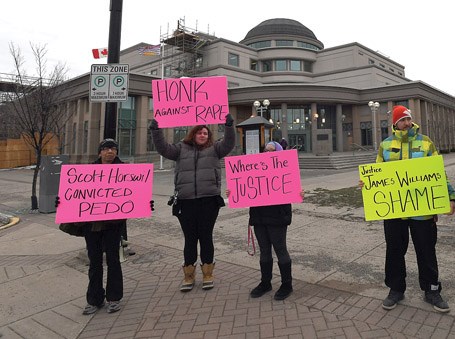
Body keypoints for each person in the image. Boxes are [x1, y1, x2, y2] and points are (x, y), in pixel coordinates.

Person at [360, 105, 455, 313]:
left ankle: (432, 290)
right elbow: (378, 173)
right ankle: (396, 289)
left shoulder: (426, 142)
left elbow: (438, 172)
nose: (407, 122)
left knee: (426, 251)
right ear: (395, 123)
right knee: (394, 251)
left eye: (408, 119)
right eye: (402, 120)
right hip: (394, 212)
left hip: (423, 211)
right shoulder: (385, 145)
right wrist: (368, 183)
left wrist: (451, 196)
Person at [56, 139, 154, 315]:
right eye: (106, 149)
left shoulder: (125, 171)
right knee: (94, 262)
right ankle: (94, 299)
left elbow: (135, 194)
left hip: (113, 225)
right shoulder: (87, 172)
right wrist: (62, 201)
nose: (110, 152)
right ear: (100, 152)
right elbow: (75, 194)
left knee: (114, 261)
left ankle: (114, 298)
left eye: (114, 149)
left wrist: (145, 202)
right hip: (91, 225)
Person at [150, 114, 235, 292]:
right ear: (193, 134)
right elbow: (163, 148)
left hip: (209, 201)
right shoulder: (180, 149)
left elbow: (228, 144)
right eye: (199, 133)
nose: (203, 135)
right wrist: (156, 130)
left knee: (206, 237)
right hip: (185, 202)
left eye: (205, 133)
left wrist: (228, 126)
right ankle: (188, 276)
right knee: (190, 239)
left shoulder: (215, 149)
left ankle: (207, 273)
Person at [227, 141, 304, 300]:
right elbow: (244, 188)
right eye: (266, 150)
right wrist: (233, 192)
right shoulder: (256, 170)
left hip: (277, 217)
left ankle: (286, 284)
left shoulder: (284, 170)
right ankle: (265, 282)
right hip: (259, 216)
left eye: (272, 150)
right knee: (264, 251)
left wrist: (299, 193)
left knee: (281, 250)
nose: (268, 153)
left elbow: (293, 189)